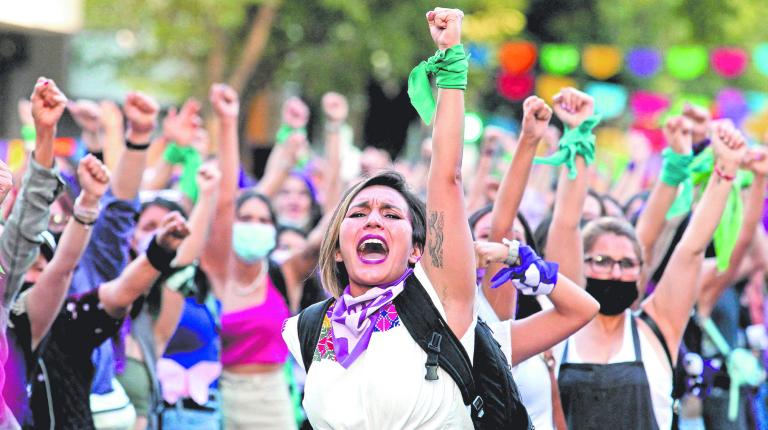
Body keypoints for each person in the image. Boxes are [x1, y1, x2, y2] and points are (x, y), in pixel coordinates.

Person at [547, 84, 749, 428]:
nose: (614, 272)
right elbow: (566, 223)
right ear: (580, 266)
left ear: (642, 271)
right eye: (602, 261)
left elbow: (691, 249)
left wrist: (725, 172)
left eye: (627, 263)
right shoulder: (556, 329)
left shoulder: (658, 327)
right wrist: (577, 133)